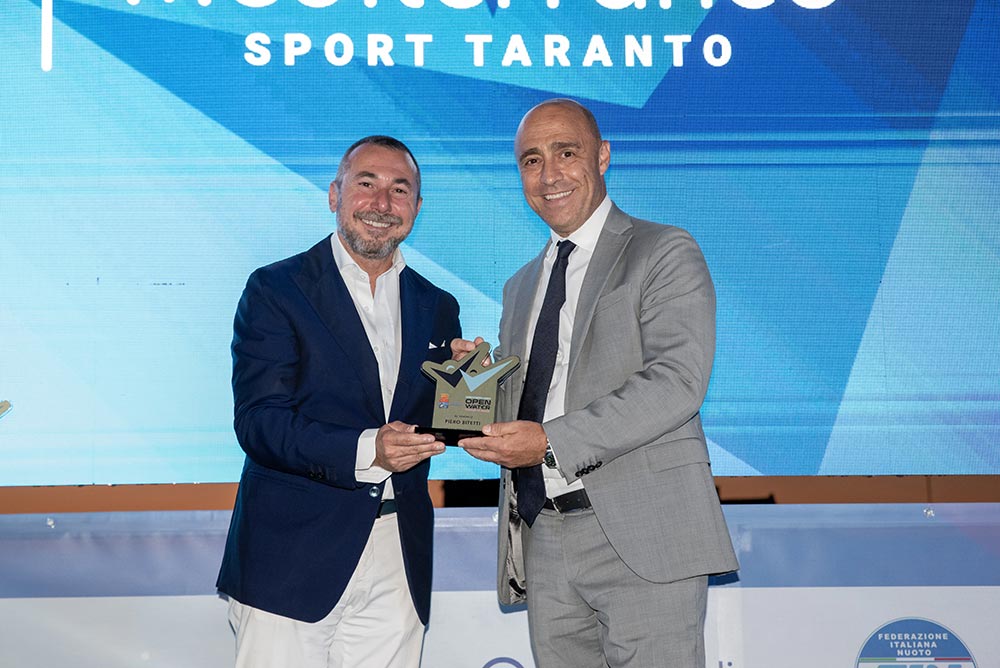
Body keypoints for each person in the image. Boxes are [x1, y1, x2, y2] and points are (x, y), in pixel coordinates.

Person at [457, 99, 738, 667]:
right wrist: (478, 382)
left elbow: (677, 381)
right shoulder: (520, 286)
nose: (549, 174)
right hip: (545, 534)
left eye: (566, 153)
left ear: (603, 156)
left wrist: (550, 443)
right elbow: (534, 401)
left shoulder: (662, 250)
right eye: (531, 160)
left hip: (644, 531)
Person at [216, 135, 461, 668]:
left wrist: (471, 385)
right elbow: (259, 423)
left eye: (400, 189)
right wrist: (369, 449)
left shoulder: (437, 306)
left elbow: (435, 428)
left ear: (417, 207)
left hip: (398, 554)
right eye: (366, 183)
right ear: (334, 194)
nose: (382, 203)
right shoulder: (276, 289)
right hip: (290, 558)